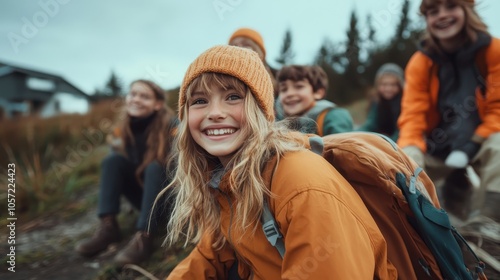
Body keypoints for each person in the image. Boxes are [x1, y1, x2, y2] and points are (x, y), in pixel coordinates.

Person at [163, 45, 397, 279]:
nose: (214, 112)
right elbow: (209, 255)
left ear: (262, 110)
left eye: (233, 97)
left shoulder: (301, 182)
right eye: (199, 101)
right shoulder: (227, 180)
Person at [398, 0, 500, 221]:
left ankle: (490, 225)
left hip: (479, 143)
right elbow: (413, 115)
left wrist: (471, 145)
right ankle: (424, 223)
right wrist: (410, 151)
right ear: (427, 20)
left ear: (467, 11)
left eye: (451, 7)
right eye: (433, 12)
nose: (442, 16)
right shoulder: (420, 63)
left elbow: (497, 109)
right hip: (437, 147)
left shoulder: (494, 51)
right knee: (401, 161)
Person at [75, 79, 177, 265]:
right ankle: (108, 227)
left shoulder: (172, 126)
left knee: (156, 165)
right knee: (112, 161)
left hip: (172, 204)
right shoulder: (122, 130)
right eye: (133, 94)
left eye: (144, 96)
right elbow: (120, 170)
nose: (136, 99)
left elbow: (182, 172)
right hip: (145, 200)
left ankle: (145, 237)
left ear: (158, 104)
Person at [277, 64, 353, 135]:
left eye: (299, 87)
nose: (289, 94)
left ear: (317, 93)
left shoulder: (333, 117)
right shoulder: (279, 124)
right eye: (284, 89)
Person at [228, 27, 283, 119]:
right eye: (234, 45)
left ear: (259, 50)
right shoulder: (223, 77)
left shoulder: (279, 75)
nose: (239, 48)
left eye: (245, 44)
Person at [357, 63, 404, 142]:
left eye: (393, 85)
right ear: (378, 85)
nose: (388, 88)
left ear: (400, 85)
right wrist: (356, 134)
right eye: (384, 84)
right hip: (380, 137)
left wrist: (389, 142)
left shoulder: (404, 101)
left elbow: (401, 129)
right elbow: (370, 124)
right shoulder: (376, 101)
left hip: (396, 140)